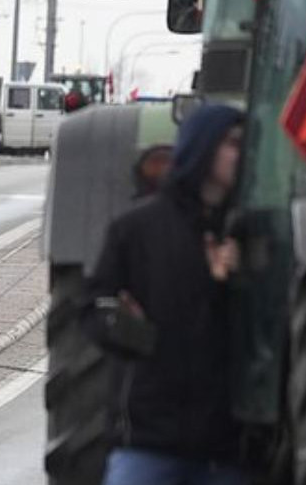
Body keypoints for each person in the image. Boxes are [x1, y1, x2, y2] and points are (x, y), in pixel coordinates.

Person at [89, 104, 247, 485]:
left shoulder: (248, 234)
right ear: (202, 147)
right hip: (149, 439)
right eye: (231, 144)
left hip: (226, 447)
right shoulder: (137, 229)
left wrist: (233, 283)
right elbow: (91, 310)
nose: (239, 155)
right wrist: (127, 326)